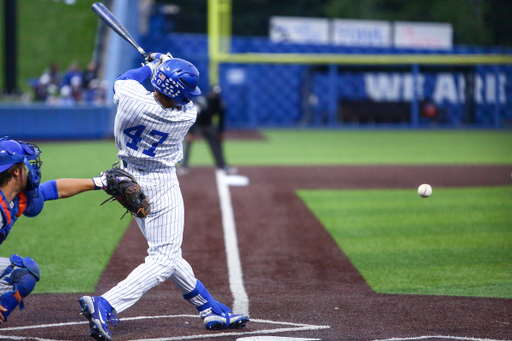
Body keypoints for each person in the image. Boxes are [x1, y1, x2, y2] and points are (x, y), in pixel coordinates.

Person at [78, 54, 249, 341]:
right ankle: (105, 304)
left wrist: (152, 65)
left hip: (128, 178)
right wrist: (161, 64)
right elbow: (179, 97)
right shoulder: (186, 115)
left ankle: (209, 307)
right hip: (159, 182)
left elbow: (125, 80)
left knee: (167, 252)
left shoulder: (131, 98)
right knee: (164, 258)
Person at [0, 137, 104, 324]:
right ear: (15, 172)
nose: (30, 168)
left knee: (24, 273)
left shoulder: (15, 196)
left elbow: (54, 189)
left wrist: (100, 182)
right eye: (25, 163)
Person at [178, 85, 237, 175]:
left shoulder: (219, 104)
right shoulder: (202, 101)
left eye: (216, 94)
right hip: (196, 124)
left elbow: (221, 120)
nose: (214, 96)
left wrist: (220, 132)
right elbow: (193, 116)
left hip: (208, 125)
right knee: (188, 143)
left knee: (216, 143)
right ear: (210, 93)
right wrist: (191, 132)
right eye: (213, 94)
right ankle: (183, 166)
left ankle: (222, 165)